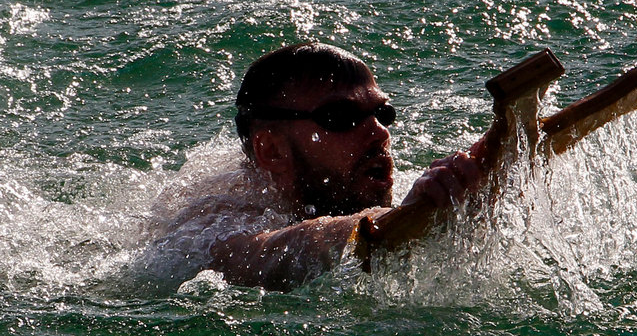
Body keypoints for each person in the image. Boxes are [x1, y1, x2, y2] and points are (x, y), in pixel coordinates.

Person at [145, 42, 484, 293]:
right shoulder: (214, 224)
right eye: (340, 117)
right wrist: (400, 217)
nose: (379, 132)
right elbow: (272, 252)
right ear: (272, 150)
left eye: (383, 114)